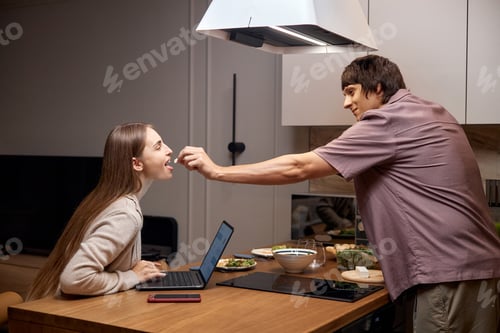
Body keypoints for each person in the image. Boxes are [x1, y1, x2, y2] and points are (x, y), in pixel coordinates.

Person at [177, 55, 500, 332]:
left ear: (377, 89)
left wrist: (217, 170)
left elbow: (298, 167)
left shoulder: (387, 121)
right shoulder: (433, 112)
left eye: (351, 92)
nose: (346, 103)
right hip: (475, 273)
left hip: (444, 276)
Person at [27, 122, 172, 301]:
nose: (169, 150)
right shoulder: (125, 214)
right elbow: (74, 279)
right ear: (137, 163)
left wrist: (135, 270)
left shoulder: (106, 198)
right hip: (53, 318)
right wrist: (132, 277)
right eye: (158, 147)